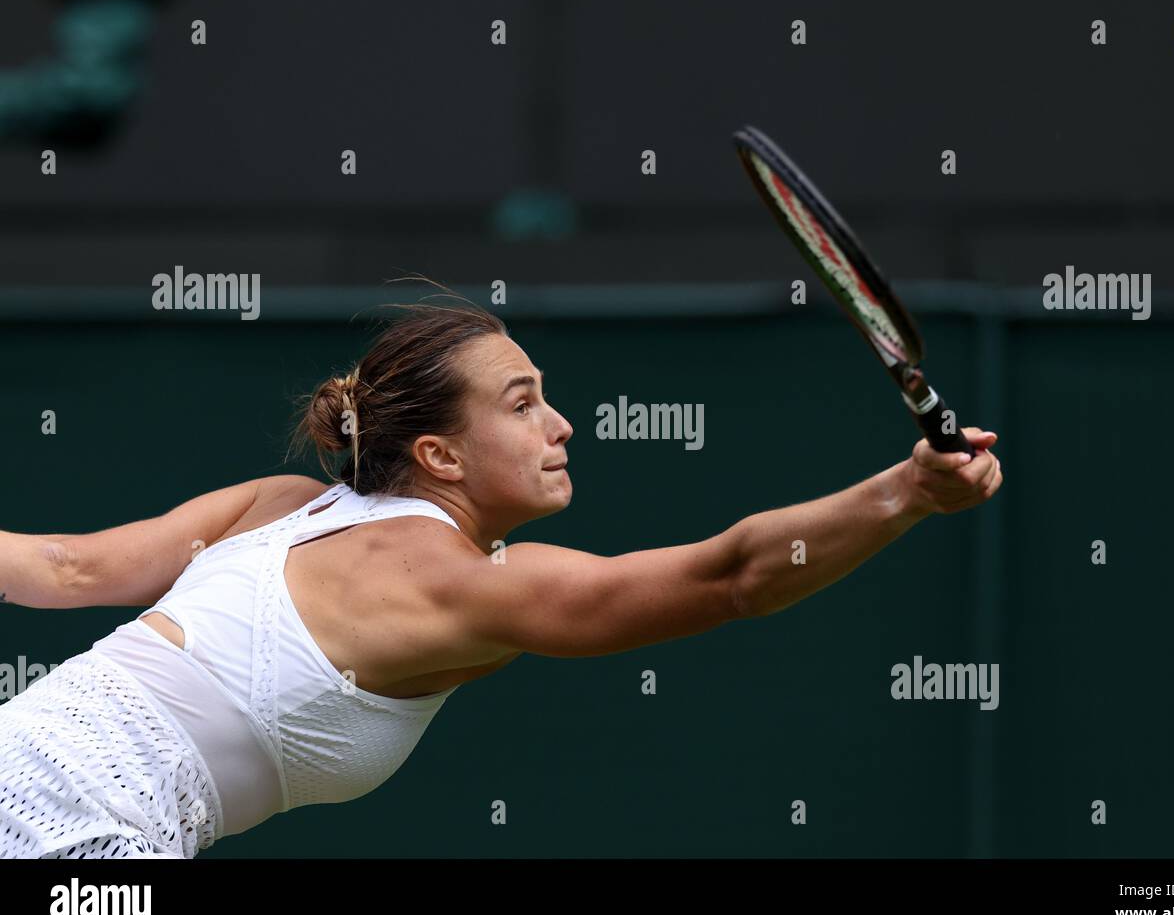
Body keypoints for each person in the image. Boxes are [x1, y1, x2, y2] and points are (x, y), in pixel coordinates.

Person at [0, 296, 1002, 858]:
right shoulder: (465, 587)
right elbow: (734, 575)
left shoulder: (273, 506)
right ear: (438, 455)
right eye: (521, 403)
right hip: (75, 841)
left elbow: (58, 566)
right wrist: (905, 491)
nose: (560, 424)